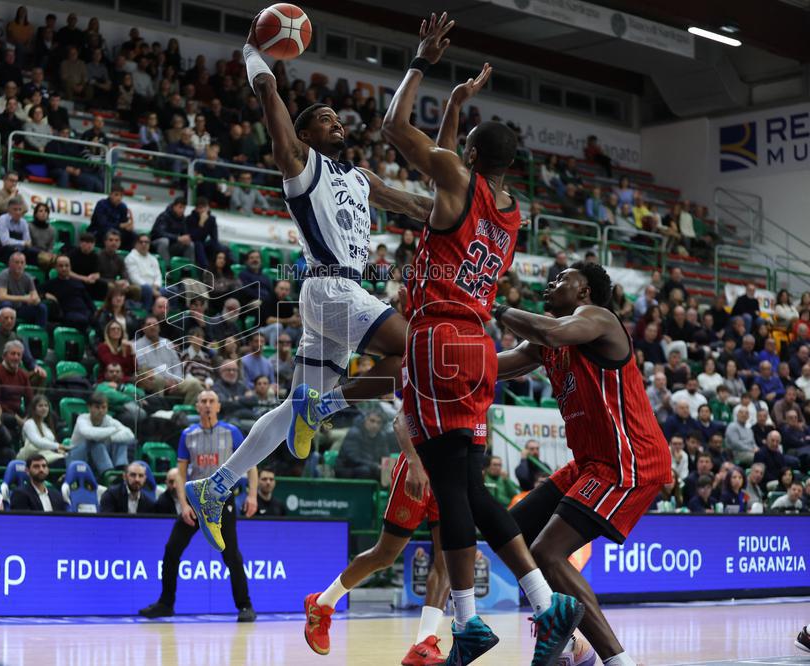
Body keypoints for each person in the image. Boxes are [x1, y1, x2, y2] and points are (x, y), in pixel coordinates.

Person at [186, 13, 437, 564]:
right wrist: (254, 53)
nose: (337, 122)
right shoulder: (300, 165)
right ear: (304, 135)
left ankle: (216, 485)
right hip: (332, 289)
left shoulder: (360, 179)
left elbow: (419, 206)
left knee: (290, 409)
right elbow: (270, 94)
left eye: (337, 117)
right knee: (416, 350)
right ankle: (322, 407)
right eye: (324, 118)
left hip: (333, 299)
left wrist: (466, 200)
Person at [376, 17, 581, 665]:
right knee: (472, 487)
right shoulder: (511, 207)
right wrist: (459, 109)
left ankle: (468, 621)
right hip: (478, 346)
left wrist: (421, 62)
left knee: (449, 489)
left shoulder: (457, 183)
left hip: (436, 336)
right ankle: (547, 607)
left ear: (467, 156)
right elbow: (446, 179)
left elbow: (391, 128)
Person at [499, 260, 673, 666]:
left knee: (549, 552)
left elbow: (549, 330)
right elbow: (496, 366)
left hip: (628, 459)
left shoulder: (597, 318)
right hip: (591, 463)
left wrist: (493, 306)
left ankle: (618, 661)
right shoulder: (549, 344)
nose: (552, 282)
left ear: (584, 292)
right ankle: (570, 642)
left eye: (564, 278)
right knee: (511, 534)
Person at [305, 413, 451, 663]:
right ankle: (323, 602)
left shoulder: (479, 384)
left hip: (451, 472)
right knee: (385, 554)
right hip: (418, 466)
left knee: (446, 559)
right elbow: (400, 420)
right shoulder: (429, 377)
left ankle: (423, 643)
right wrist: (414, 463)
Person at [139, 391, 258, 622]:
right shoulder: (187, 435)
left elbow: (251, 466)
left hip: (223, 501)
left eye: (212, 401)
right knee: (172, 550)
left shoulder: (232, 432)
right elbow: (181, 474)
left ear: (219, 406)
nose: (207, 405)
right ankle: (165, 603)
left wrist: (252, 495)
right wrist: (183, 504)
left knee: (231, 555)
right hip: (195, 501)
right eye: (203, 401)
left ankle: (245, 606)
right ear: (196, 406)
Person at [69, 392, 136, 476]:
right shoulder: (82, 419)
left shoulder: (108, 419)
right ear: (89, 408)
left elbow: (129, 434)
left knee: (121, 441)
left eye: (104, 407)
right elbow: (90, 434)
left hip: (97, 457)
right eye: (97, 407)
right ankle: (109, 474)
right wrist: (114, 430)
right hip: (78, 457)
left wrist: (110, 438)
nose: (101, 411)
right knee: (95, 443)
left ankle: (120, 469)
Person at [0, 251, 48, 327]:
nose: (20, 265)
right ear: (10, 264)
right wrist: (24, 298)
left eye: (22, 263)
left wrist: (35, 300)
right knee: (7, 304)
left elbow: (35, 296)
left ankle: (39, 334)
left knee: (41, 307)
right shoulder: (3, 276)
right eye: (17, 262)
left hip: (18, 307)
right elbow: (2, 297)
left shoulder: (27, 277)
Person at [42, 254, 95, 327]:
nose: (64, 268)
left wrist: (96, 313)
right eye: (61, 266)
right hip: (69, 314)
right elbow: (37, 291)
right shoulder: (51, 284)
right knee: (83, 321)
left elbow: (88, 301)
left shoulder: (77, 283)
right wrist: (45, 295)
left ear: (70, 267)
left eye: (66, 266)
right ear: (56, 268)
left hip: (85, 312)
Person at [18, 394, 67, 464]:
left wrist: (58, 450)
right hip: (34, 457)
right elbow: (38, 442)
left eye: (46, 406)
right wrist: (57, 446)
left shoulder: (46, 426)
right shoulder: (29, 423)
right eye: (40, 406)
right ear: (34, 409)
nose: (44, 408)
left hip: (47, 454)